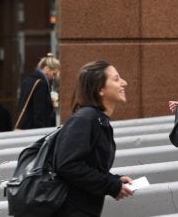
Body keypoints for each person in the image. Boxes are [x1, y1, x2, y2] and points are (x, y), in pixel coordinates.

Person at [53, 61, 133, 216]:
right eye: (116, 79)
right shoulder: (85, 119)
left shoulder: (97, 119)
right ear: (100, 89)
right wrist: (110, 185)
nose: (124, 82)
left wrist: (114, 180)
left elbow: (88, 165)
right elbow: (67, 165)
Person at [15, 53, 60, 129]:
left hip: (25, 127)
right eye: (54, 74)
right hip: (35, 131)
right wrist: (42, 132)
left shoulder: (27, 81)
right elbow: (39, 112)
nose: (53, 77)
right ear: (46, 69)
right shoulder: (41, 84)